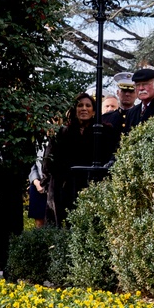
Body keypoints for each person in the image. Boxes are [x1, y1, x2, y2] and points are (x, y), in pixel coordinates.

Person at [42, 92, 101, 226]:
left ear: (94, 111)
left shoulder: (101, 133)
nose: (84, 108)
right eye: (80, 105)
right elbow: (48, 160)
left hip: (89, 187)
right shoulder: (62, 133)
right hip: (63, 188)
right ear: (74, 110)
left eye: (88, 105)